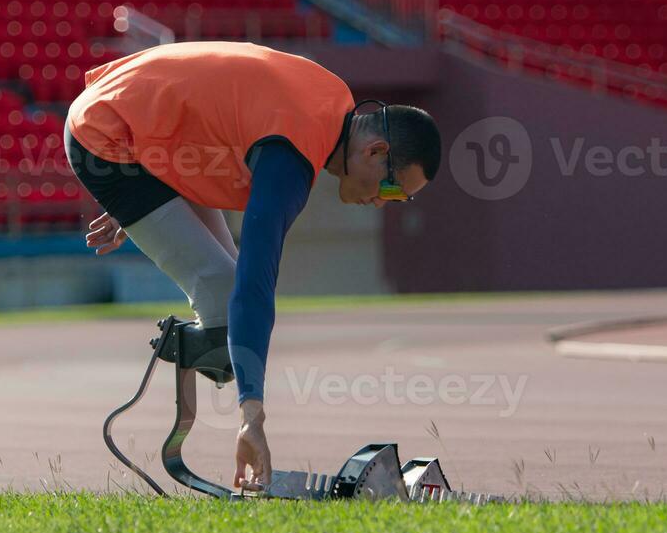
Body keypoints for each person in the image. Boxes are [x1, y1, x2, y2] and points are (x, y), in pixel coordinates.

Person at [63, 41, 441, 490]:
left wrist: (149, 196)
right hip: (106, 136)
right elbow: (255, 286)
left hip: (138, 129)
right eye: (394, 190)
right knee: (227, 309)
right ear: (376, 152)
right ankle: (177, 347)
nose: (384, 203)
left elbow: (209, 109)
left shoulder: (334, 103)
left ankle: (204, 353)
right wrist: (252, 415)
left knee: (233, 326)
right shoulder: (292, 157)